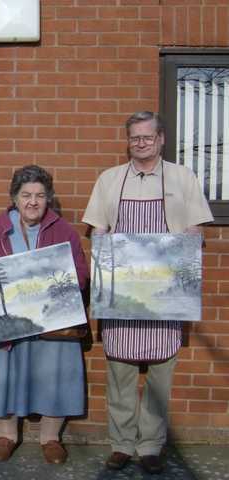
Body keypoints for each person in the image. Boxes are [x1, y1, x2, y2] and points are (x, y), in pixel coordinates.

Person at [82, 111, 213, 474]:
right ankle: (122, 444)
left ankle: (151, 446)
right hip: (122, 292)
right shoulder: (109, 180)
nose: (141, 143)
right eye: (135, 138)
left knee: (159, 375)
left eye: (147, 137)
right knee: (120, 373)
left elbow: (196, 232)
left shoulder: (182, 178)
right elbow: (97, 232)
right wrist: (105, 246)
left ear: (161, 139)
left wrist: (184, 245)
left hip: (166, 292)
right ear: (128, 141)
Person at [0, 165, 89, 465]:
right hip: (12, 323)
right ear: (15, 197)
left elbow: (79, 274)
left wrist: (46, 289)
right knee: (6, 374)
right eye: (26, 195)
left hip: (53, 322)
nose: (33, 202)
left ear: (48, 198)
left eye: (39, 195)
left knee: (56, 373)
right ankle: (6, 435)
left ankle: (50, 437)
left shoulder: (63, 229)